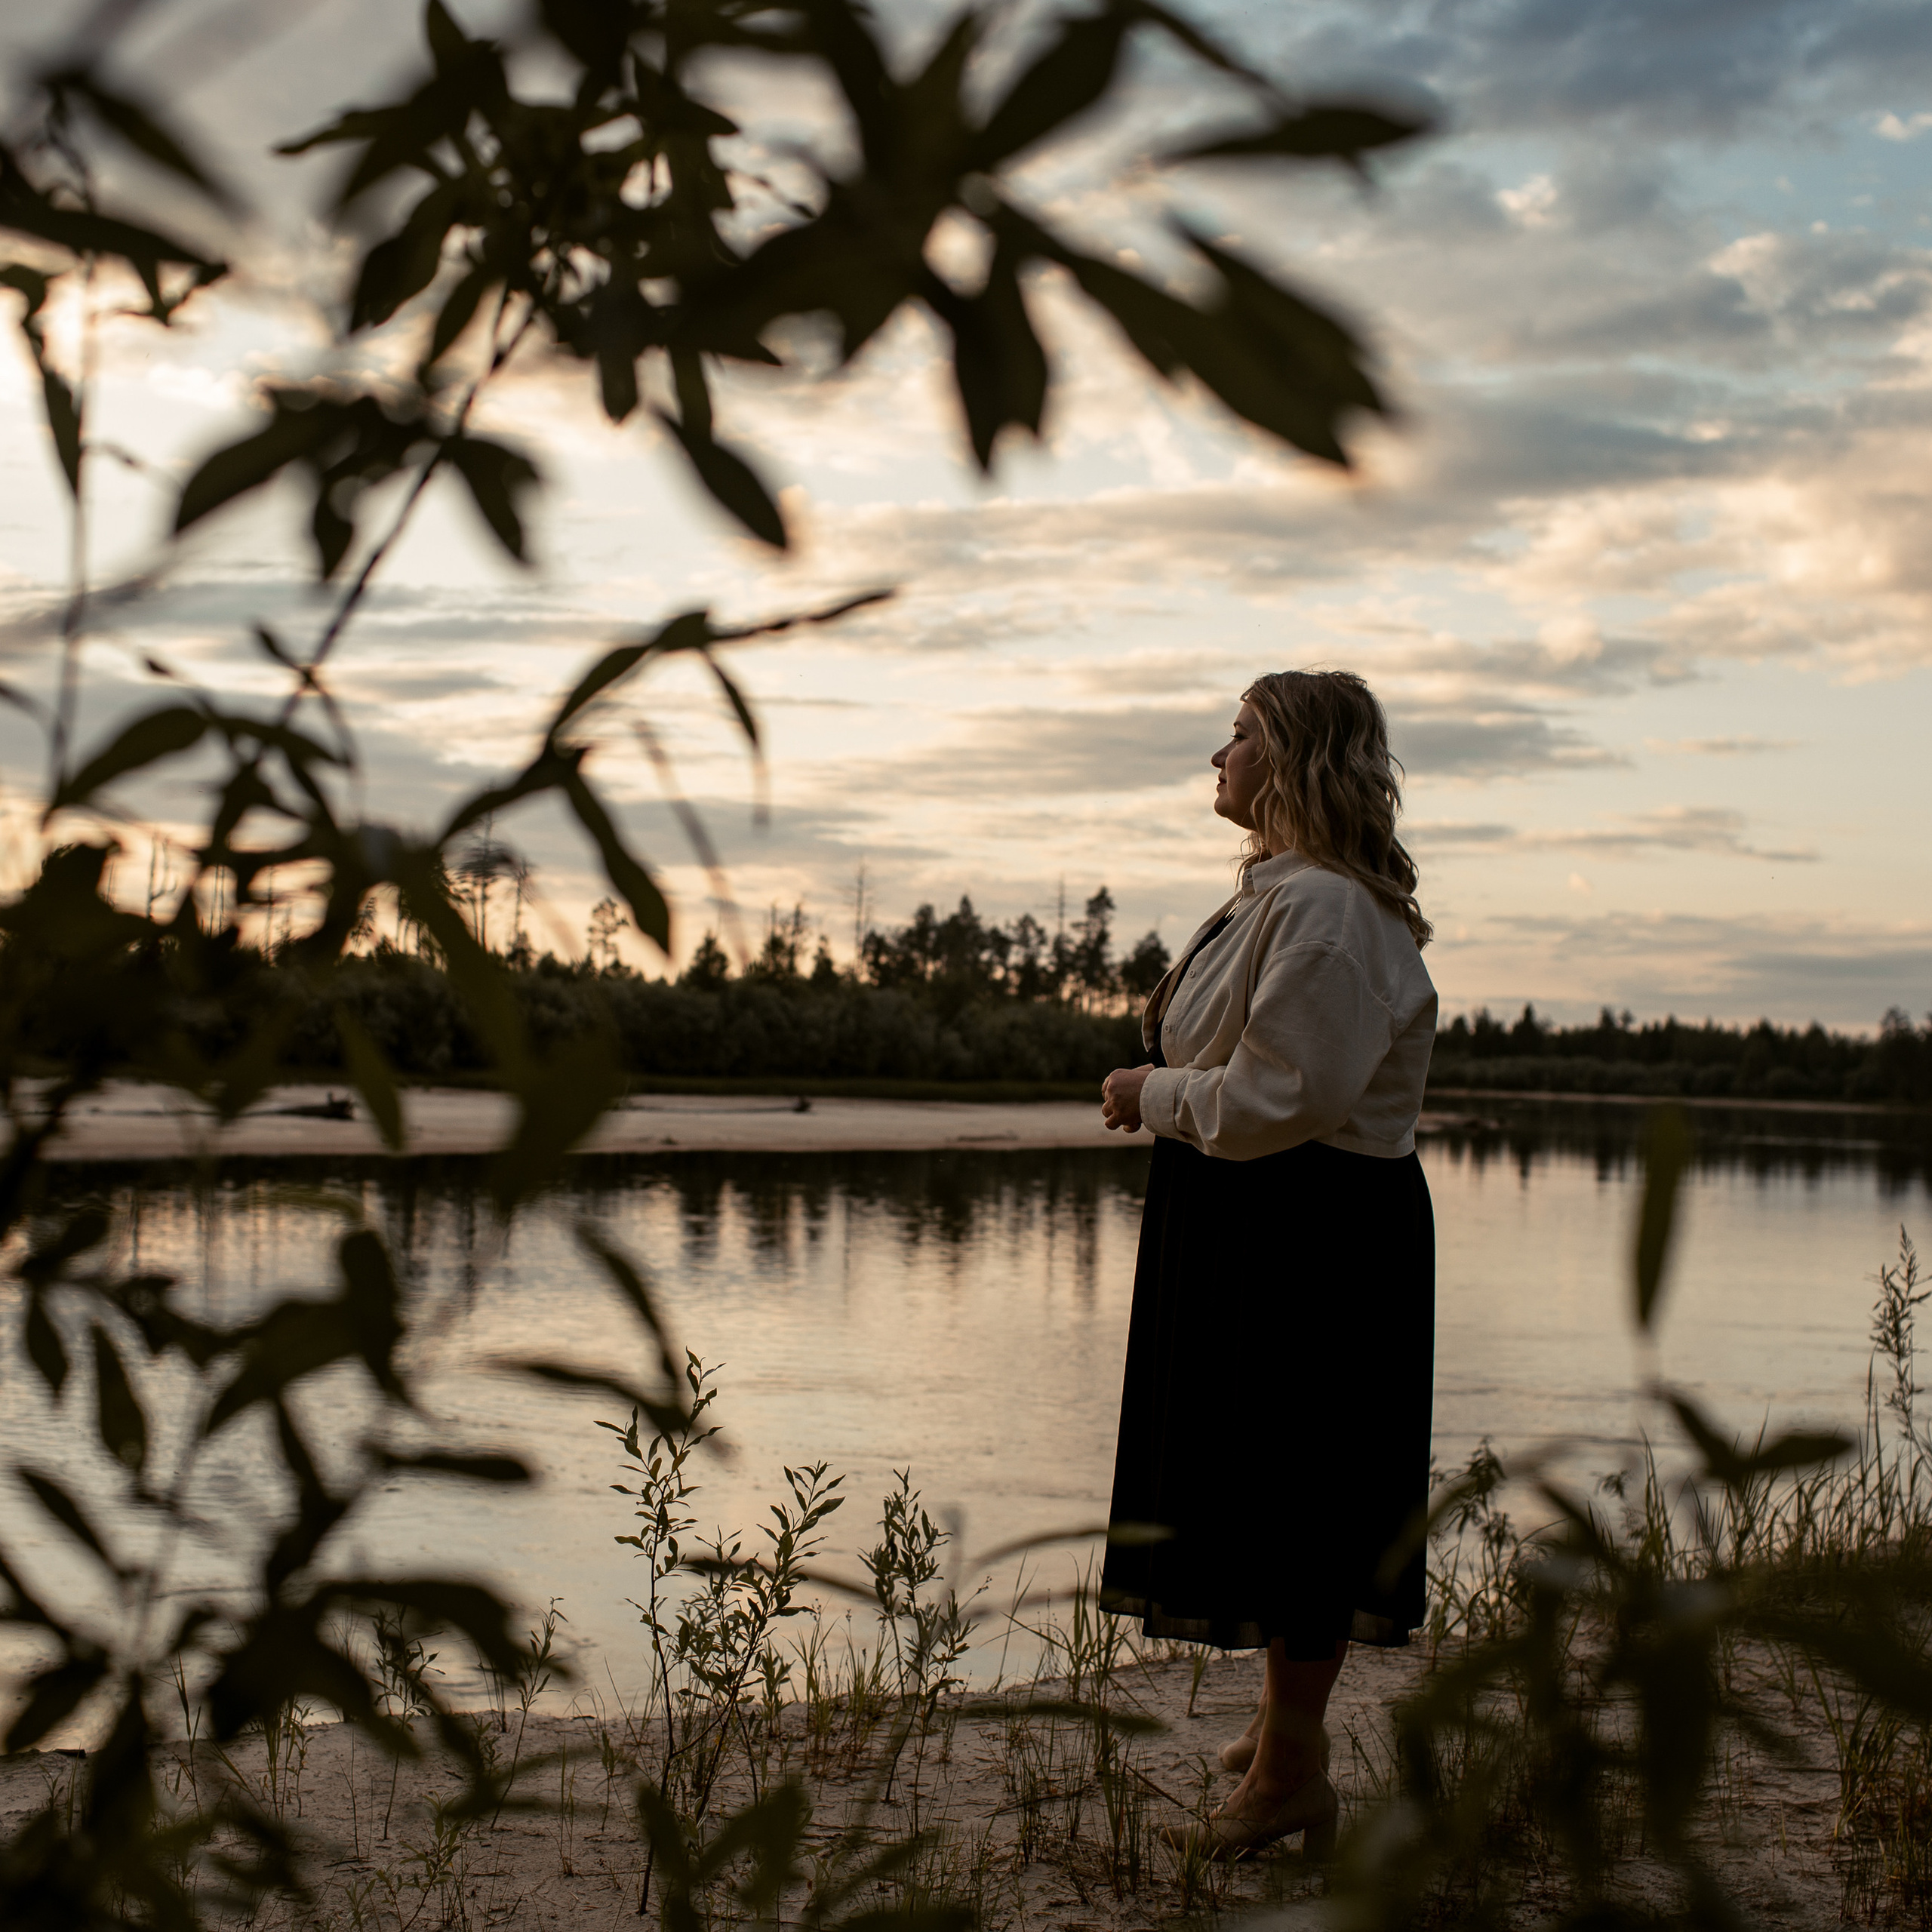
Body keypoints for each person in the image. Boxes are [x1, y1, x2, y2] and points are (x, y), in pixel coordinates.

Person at [1097, 669, 1437, 1863]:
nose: (1216, 755)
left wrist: (1154, 1093)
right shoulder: (1281, 898)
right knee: (1270, 1470)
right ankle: (1282, 1729)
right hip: (1261, 1219)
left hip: (1310, 1232)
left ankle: (1293, 1767)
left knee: (1306, 1488)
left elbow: (1281, 1097)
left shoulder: (1333, 914)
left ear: (1292, 760)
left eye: (1238, 735)